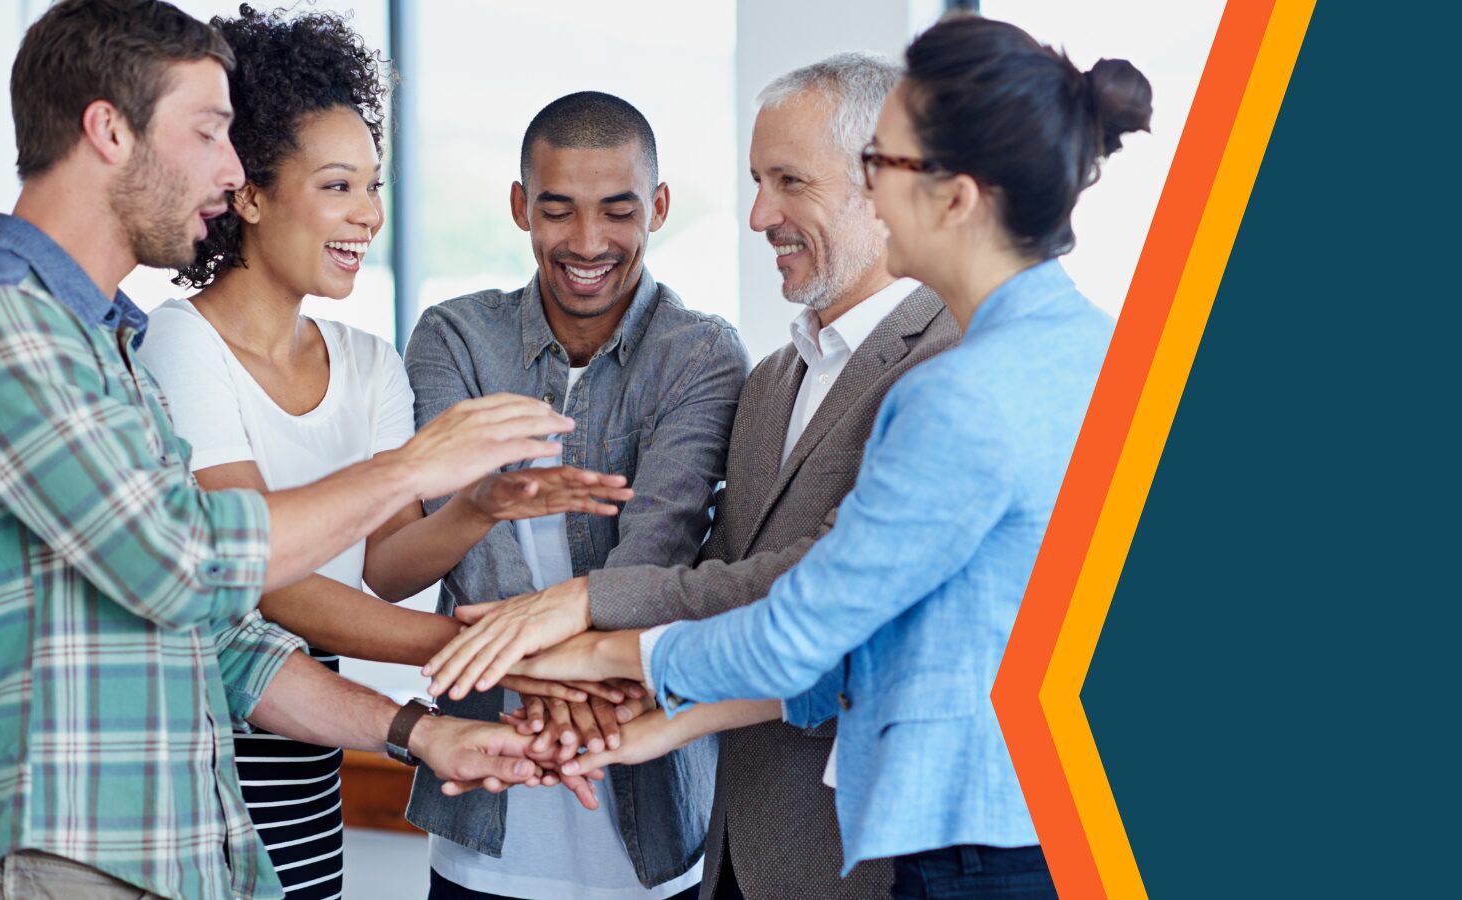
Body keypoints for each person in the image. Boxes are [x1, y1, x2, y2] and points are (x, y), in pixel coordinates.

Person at [425, 14, 1153, 900]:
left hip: (976, 847)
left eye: (880, 168)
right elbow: (874, 642)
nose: (875, 196)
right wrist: (660, 724)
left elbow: (805, 628)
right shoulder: (1094, 349)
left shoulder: (960, 388)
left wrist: (599, 650)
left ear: (956, 197)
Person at [0, 2, 572, 898]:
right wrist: (410, 470)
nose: (229, 164)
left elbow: (222, 637)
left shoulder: (105, 349)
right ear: (108, 131)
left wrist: (418, 732)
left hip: (184, 859)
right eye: (209, 132)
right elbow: (190, 560)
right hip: (62, 862)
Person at [430, 53, 961, 900]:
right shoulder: (773, 378)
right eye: (757, 180)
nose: (759, 215)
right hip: (734, 852)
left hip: (873, 860)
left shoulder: (949, 361)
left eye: (789, 182)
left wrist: (587, 615)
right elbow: (715, 570)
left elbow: (818, 591)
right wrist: (633, 697)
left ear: (884, 183)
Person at [131, 8, 635, 898]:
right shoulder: (178, 346)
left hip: (310, 744)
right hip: (201, 743)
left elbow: (390, 568)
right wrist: (502, 657)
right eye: (337, 187)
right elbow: (255, 575)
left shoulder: (365, 361)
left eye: (372, 186)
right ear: (247, 193)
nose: (368, 215)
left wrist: (480, 505)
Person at [404, 92, 750, 900]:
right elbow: (471, 549)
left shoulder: (703, 353)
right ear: (521, 205)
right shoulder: (453, 337)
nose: (587, 243)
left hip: (656, 823)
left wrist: (552, 669)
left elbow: (654, 557)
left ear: (658, 208)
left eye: (618, 212)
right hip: (487, 816)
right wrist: (569, 678)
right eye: (557, 210)